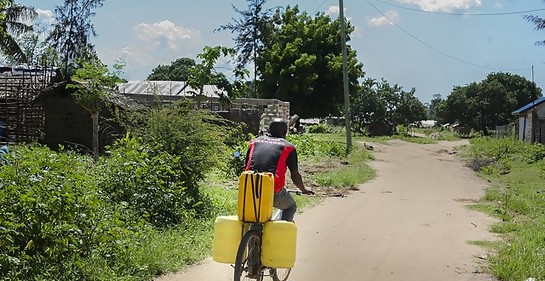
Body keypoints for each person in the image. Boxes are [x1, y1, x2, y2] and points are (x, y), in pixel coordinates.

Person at [243, 118, 313, 221]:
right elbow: (295, 175)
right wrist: (303, 190)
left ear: (268, 130)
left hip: (249, 186)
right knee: (290, 207)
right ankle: (282, 232)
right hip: (272, 189)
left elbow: (246, 166)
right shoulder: (288, 147)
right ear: (285, 132)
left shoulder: (254, 142)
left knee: (254, 215)